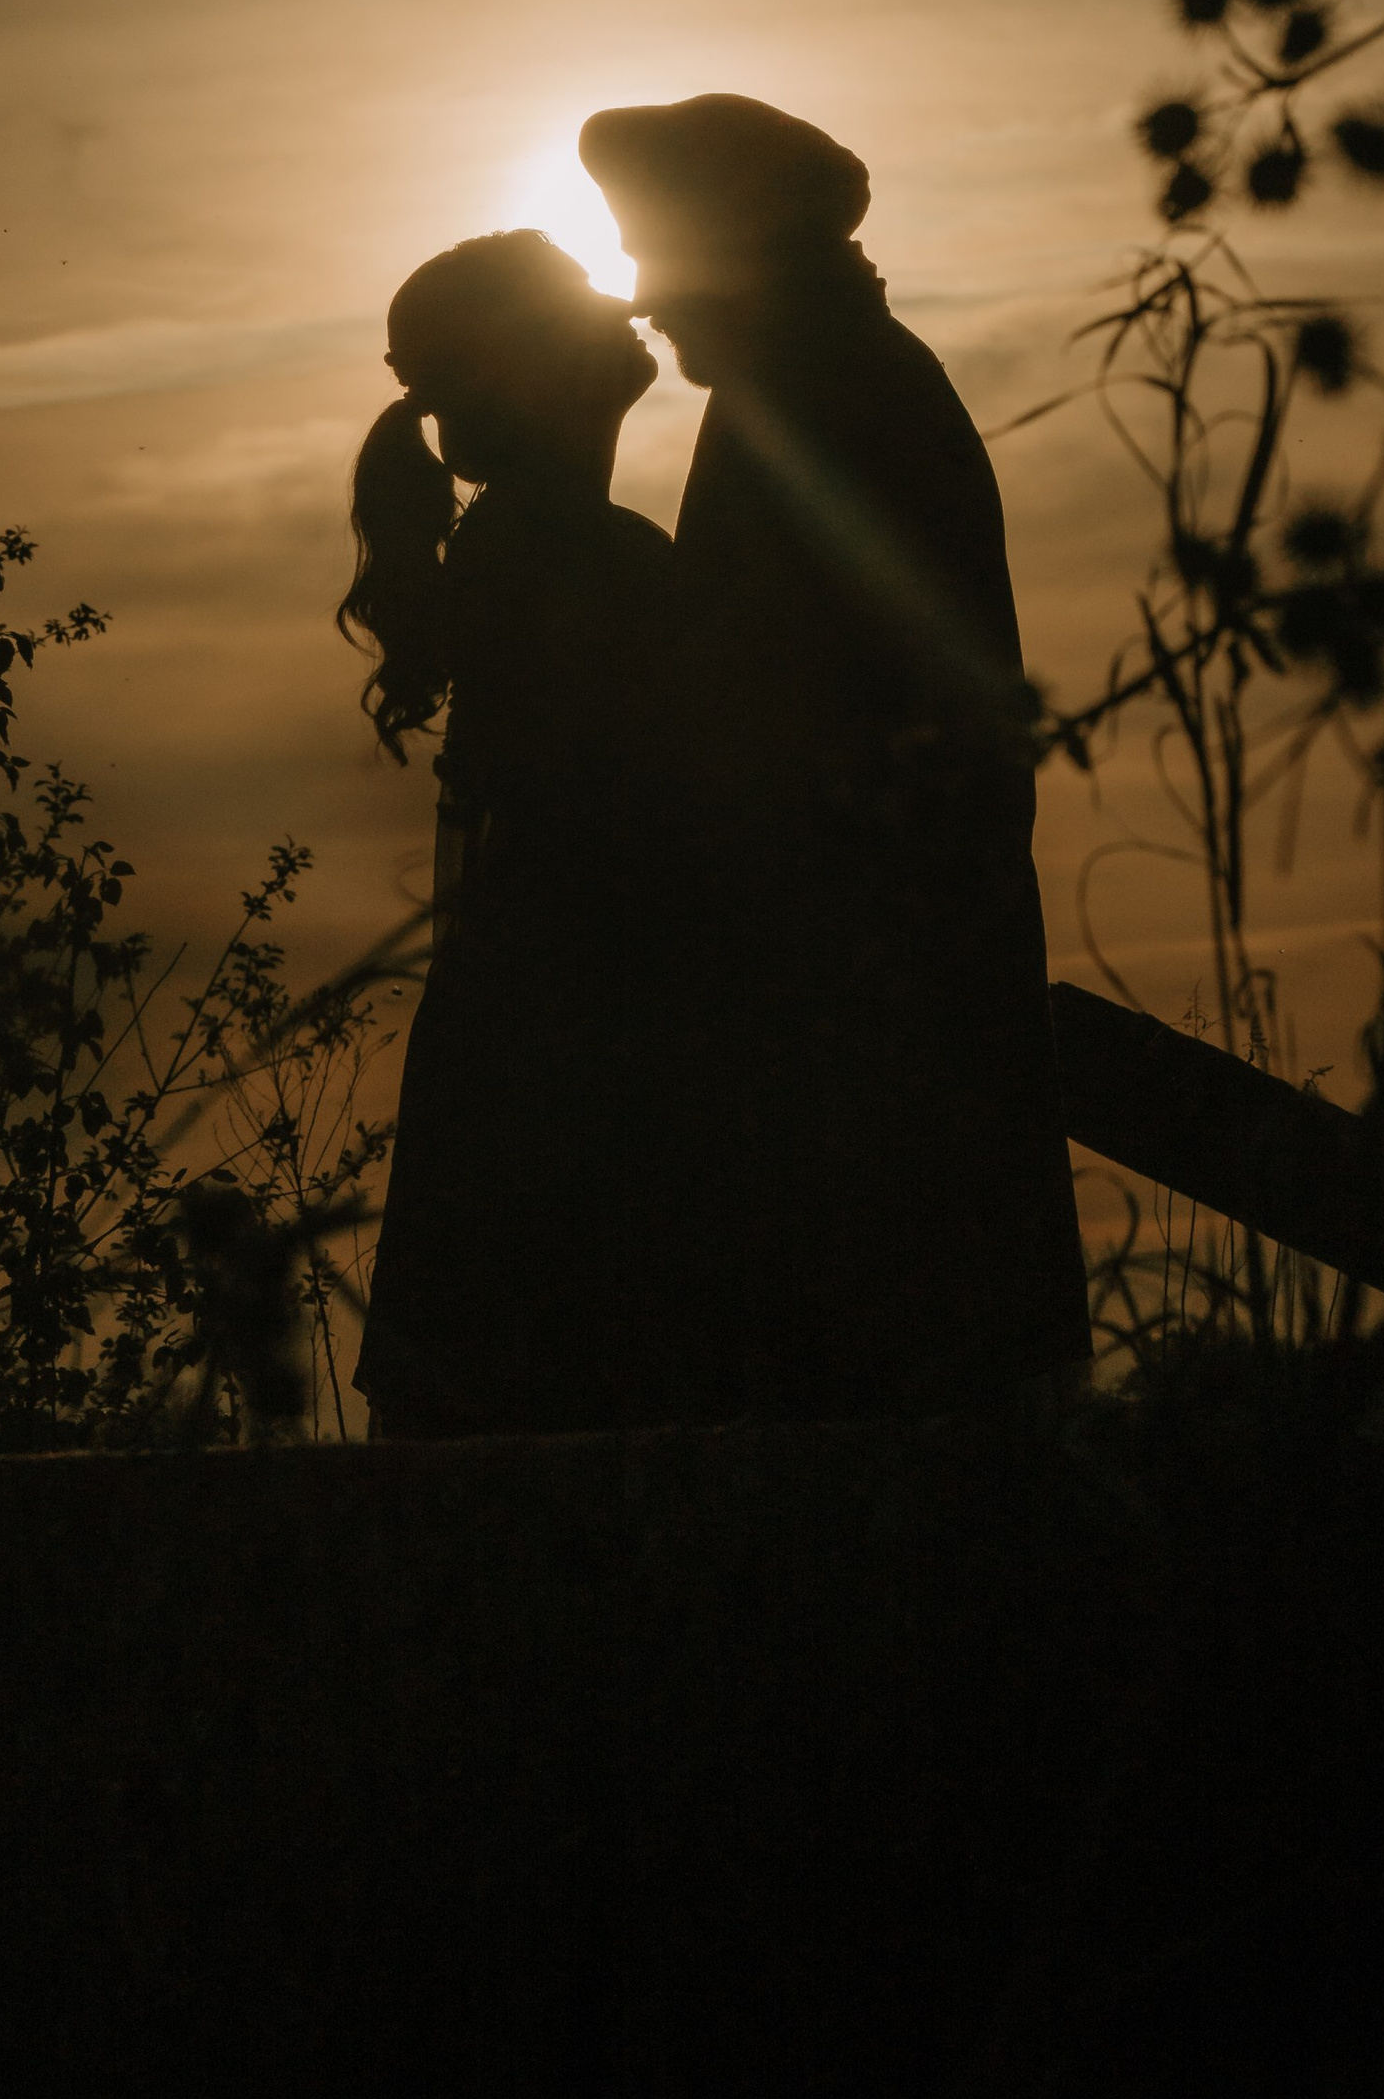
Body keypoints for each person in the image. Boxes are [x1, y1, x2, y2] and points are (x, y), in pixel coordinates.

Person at [577, 95, 1089, 1420]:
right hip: (869, 979)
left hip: (858, 995)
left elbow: (777, 709)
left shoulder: (823, 402)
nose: (639, 295)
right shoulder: (817, 386)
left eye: (654, 252)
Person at [341, 229, 718, 1435]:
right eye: (587, 315)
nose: (627, 325)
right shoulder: (579, 558)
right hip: (580, 1023)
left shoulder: (543, 544)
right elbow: (628, 818)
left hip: (549, 1008)